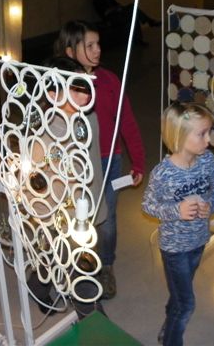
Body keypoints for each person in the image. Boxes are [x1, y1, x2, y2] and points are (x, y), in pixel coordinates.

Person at [54, 20, 146, 300]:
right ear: (70, 51)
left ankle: (106, 265)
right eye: (89, 45)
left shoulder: (109, 81)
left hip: (108, 161)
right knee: (74, 214)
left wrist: (138, 161)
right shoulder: (59, 84)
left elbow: (126, 120)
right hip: (74, 162)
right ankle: (77, 261)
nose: (97, 50)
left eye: (98, 44)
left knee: (106, 218)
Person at [25, 55, 107, 318]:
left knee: (56, 258)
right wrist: (48, 221)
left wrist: (96, 204)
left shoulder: (86, 120)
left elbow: (92, 165)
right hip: (59, 217)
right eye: (76, 89)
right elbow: (34, 185)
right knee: (79, 268)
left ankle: (37, 284)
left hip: (84, 207)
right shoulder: (45, 136)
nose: (85, 95)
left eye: (86, 87)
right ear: (53, 95)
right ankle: (92, 319)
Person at [142, 102, 214, 346]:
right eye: (202, 133)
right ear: (179, 135)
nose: (209, 139)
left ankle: (169, 324)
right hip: (174, 248)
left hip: (199, 241)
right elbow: (148, 205)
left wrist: (210, 203)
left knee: (180, 294)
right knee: (187, 304)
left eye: (209, 132)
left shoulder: (207, 161)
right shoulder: (163, 173)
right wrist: (176, 210)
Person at [93, 0, 161, 46]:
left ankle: (139, 39)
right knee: (132, 9)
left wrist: (120, 7)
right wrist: (115, 8)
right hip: (111, 19)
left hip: (119, 15)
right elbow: (105, 13)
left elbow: (117, 4)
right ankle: (150, 22)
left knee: (133, 15)